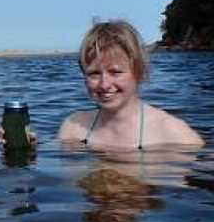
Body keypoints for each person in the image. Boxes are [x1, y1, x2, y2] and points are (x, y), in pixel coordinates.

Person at [58, 20, 203, 149]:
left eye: (115, 72)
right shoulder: (72, 129)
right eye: (94, 73)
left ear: (138, 72)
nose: (104, 84)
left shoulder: (176, 136)